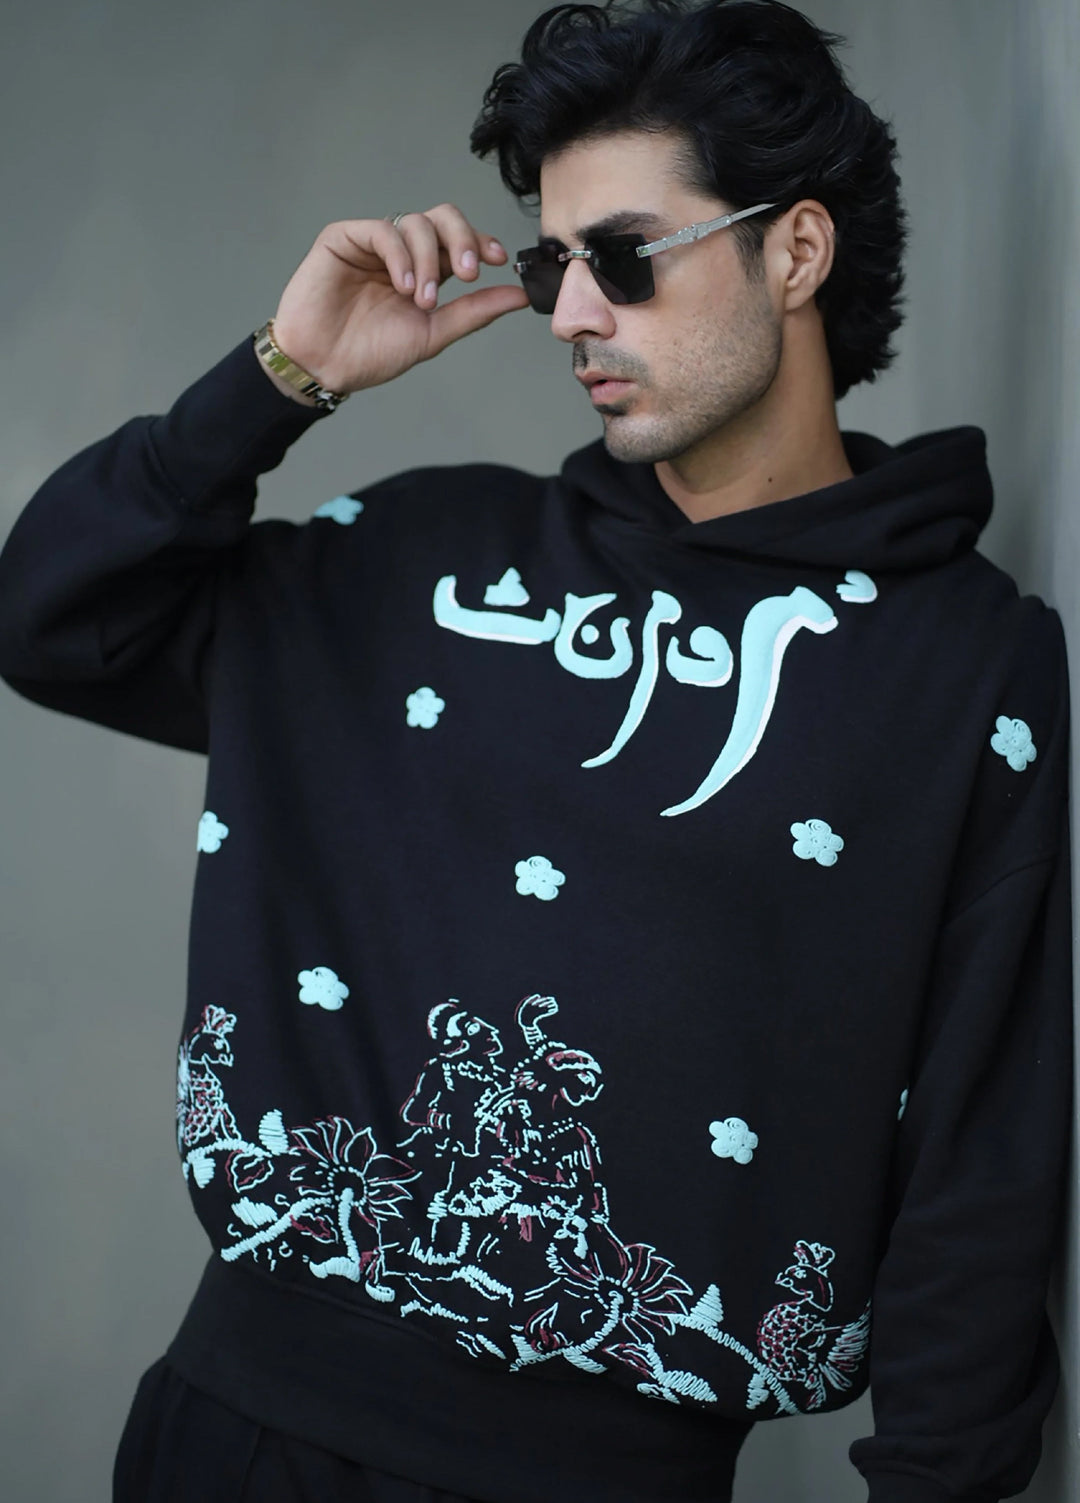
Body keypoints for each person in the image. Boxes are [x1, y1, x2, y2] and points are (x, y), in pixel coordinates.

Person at [0, 0, 1071, 1499]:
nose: (570, 315)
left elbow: (985, 1160)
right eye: (552, 263)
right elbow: (56, 619)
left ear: (796, 252)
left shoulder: (965, 667)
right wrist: (282, 376)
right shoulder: (420, 559)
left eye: (623, 259)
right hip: (231, 1438)